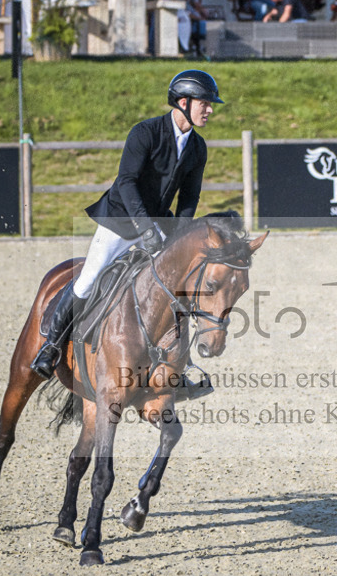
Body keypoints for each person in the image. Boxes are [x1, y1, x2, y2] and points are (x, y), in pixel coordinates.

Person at [30, 69, 224, 380]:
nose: (210, 109)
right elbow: (127, 182)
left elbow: (190, 196)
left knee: (179, 288)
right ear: (184, 102)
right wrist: (145, 227)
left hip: (160, 227)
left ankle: (180, 364)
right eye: (206, 103)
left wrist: (180, 236)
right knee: (90, 277)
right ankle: (51, 348)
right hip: (121, 220)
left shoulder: (197, 147)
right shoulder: (145, 133)